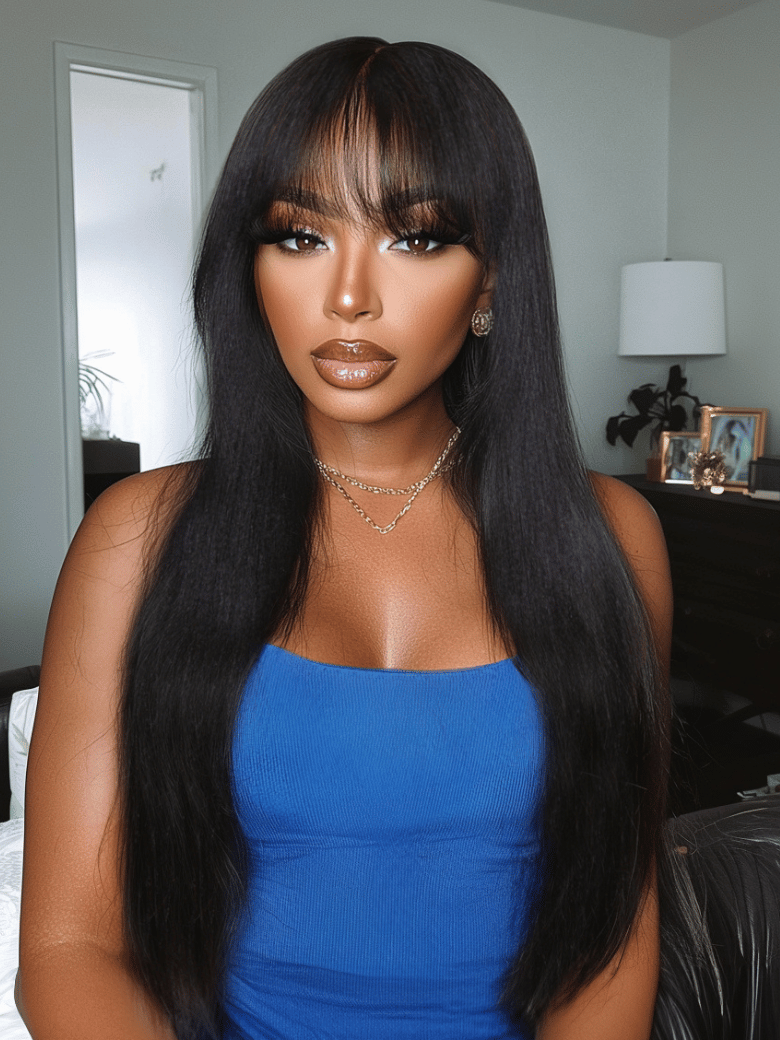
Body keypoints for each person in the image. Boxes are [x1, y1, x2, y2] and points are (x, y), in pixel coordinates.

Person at [16, 36, 672, 1040]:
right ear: (249, 264)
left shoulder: (613, 539)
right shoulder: (136, 540)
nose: (350, 295)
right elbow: (68, 947)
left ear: (491, 281)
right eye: (299, 236)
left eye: (415, 238)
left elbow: (614, 920)